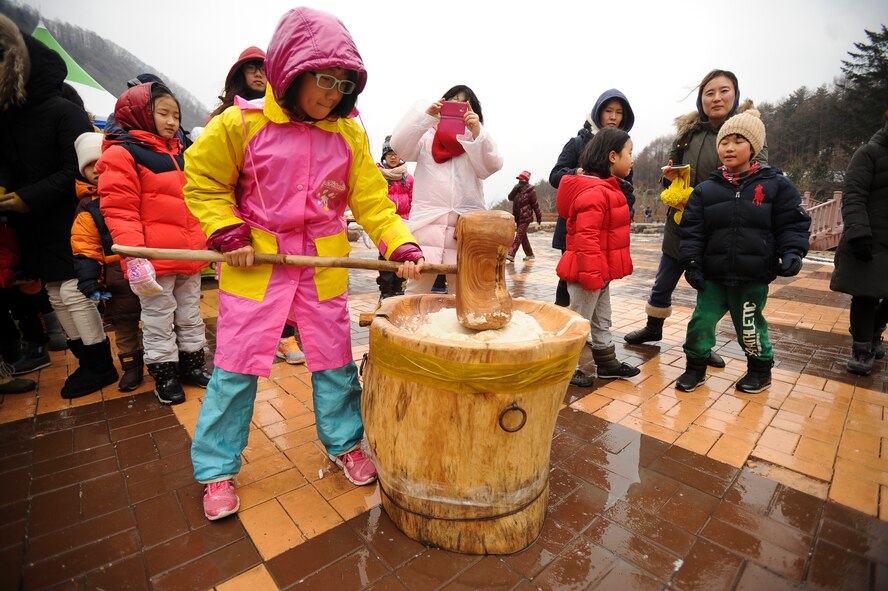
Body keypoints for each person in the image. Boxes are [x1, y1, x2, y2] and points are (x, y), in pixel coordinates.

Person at [183, 7, 425, 521]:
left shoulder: (350, 135)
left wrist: (398, 245)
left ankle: (346, 444)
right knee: (236, 366)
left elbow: (374, 203)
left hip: (322, 264)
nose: (333, 93)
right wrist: (228, 232)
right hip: (258, 259)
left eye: (343, 84)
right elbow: (204, 184)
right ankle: (216, 469)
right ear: (292, 70)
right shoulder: (239, 125)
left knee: (333, 363)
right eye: (324, 79)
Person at [0, 15, 119, 399]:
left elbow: (77, 170)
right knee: (54, 294)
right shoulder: (9, 119)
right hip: (32, 226)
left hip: (68, 220)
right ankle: (86, 362)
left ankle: (100, 364)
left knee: (73, 291)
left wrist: (26, 197)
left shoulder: (62, 111)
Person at [624, 71, 767, 374]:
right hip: (682, 219)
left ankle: (703, 344)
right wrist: (671, 184)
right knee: (664, 278)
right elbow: (672, 171)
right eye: (708, 93)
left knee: (709, 289)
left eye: (723, 91)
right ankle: (653, 326)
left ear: (736, 95)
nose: (716, 98)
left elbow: (759, 176)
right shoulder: (687, 134)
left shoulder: (747, 133)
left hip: (720, 226)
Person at [675, 110, 810, 393]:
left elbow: (792, 223)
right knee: (701, 323)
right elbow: (693, 230)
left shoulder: (776, 185)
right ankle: (695, 368)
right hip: (713, 275)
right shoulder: (706, 190)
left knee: (749, 328)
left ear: (753, 147)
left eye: (738, 141)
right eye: (725, 141)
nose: (729, 147)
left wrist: (793, 251)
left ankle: (760, 370)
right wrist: (691, 263)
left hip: (753, 275)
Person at [98, 82, 212, 405]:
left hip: (187, 255)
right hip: (153, 258)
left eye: (176, 115)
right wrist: (135, 258)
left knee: (190, 314)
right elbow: (119, 210)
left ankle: (192, 366)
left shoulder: (180, 153)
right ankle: (165, 374)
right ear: (140, 114)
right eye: (163, 113)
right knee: (158, 317)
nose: (172, 121)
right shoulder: (122, 153)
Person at [390, 84, 503, 294]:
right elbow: (399, 146)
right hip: (427, 224)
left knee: (463, 293)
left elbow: (492, 165)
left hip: (464, 227)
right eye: (453, 102)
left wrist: (477, 131)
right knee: (416, 291)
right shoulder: (426, 137)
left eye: (465, 105)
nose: (458, 108)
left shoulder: (475, 142)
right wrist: (427, 118)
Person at [557, 128, 641, 386]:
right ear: (613, 156)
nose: (632, 159)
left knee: (602, 319)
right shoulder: (594, 191)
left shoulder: (606, 188)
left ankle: (606, 363)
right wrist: (592, 275)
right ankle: (564, 368)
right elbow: (586, 237)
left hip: (597, 271)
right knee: (578, 320)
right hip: (588, 272)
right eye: (630, 153)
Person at [72, 132, 146, 391]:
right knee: (125, 328)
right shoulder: (87, 206)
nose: (96, 169)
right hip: (116, 277)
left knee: (158, 320)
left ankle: (161, 362)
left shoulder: (136, 189)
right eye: (89, 165)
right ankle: (131, 367)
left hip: (146, 269)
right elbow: (85, 244)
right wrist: (90, 280)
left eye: (100, 162)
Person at [549, 89, 635, 307]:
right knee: (570, 278)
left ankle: (594, 329)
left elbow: (627, 190)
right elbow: (555, 175)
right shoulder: (578, 142)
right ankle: (564, 325)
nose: (614, 117)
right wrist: (575, 173)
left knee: (599, 279)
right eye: (609, 111)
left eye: (619, 112)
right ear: (599, 112)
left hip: (608, 229)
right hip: (577, 225)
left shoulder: (623, 147)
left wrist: (627, 213)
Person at [829, 113, 888, 376]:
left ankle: (874, 329)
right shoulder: (869, 153)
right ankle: (862, 347)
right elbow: (853, 195)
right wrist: (859, 233)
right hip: (869, 238)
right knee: (865, 294)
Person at [376, 135, 414, 300]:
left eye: (396, 153)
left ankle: (398, 291)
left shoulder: (408, 179)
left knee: (403, 259)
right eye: (389, 153)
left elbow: (414, 202)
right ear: (384, 156)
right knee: (385, 260)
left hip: (404, 225)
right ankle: (385, 292)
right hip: (385, 225)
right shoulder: (378, 176)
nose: (393, 157)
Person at [209, 46, 267, 119]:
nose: (258, 74)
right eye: (250, 68)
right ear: (240, 74)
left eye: (264, 70)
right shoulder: (221, 116)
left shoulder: (279, 113)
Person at [507, 170, 542, 262]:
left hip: (525, 217)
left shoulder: (531, 191)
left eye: (521, 179)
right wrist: (515, 189)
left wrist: (539, 217)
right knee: (523, 236)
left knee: (518, 236)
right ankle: (530, 254)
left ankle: (511, 254)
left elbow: (535, 205)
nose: (519, 180)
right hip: (518, 216)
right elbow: (510, 197)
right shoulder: (517, 188)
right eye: (519, 179)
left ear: (526, 180)